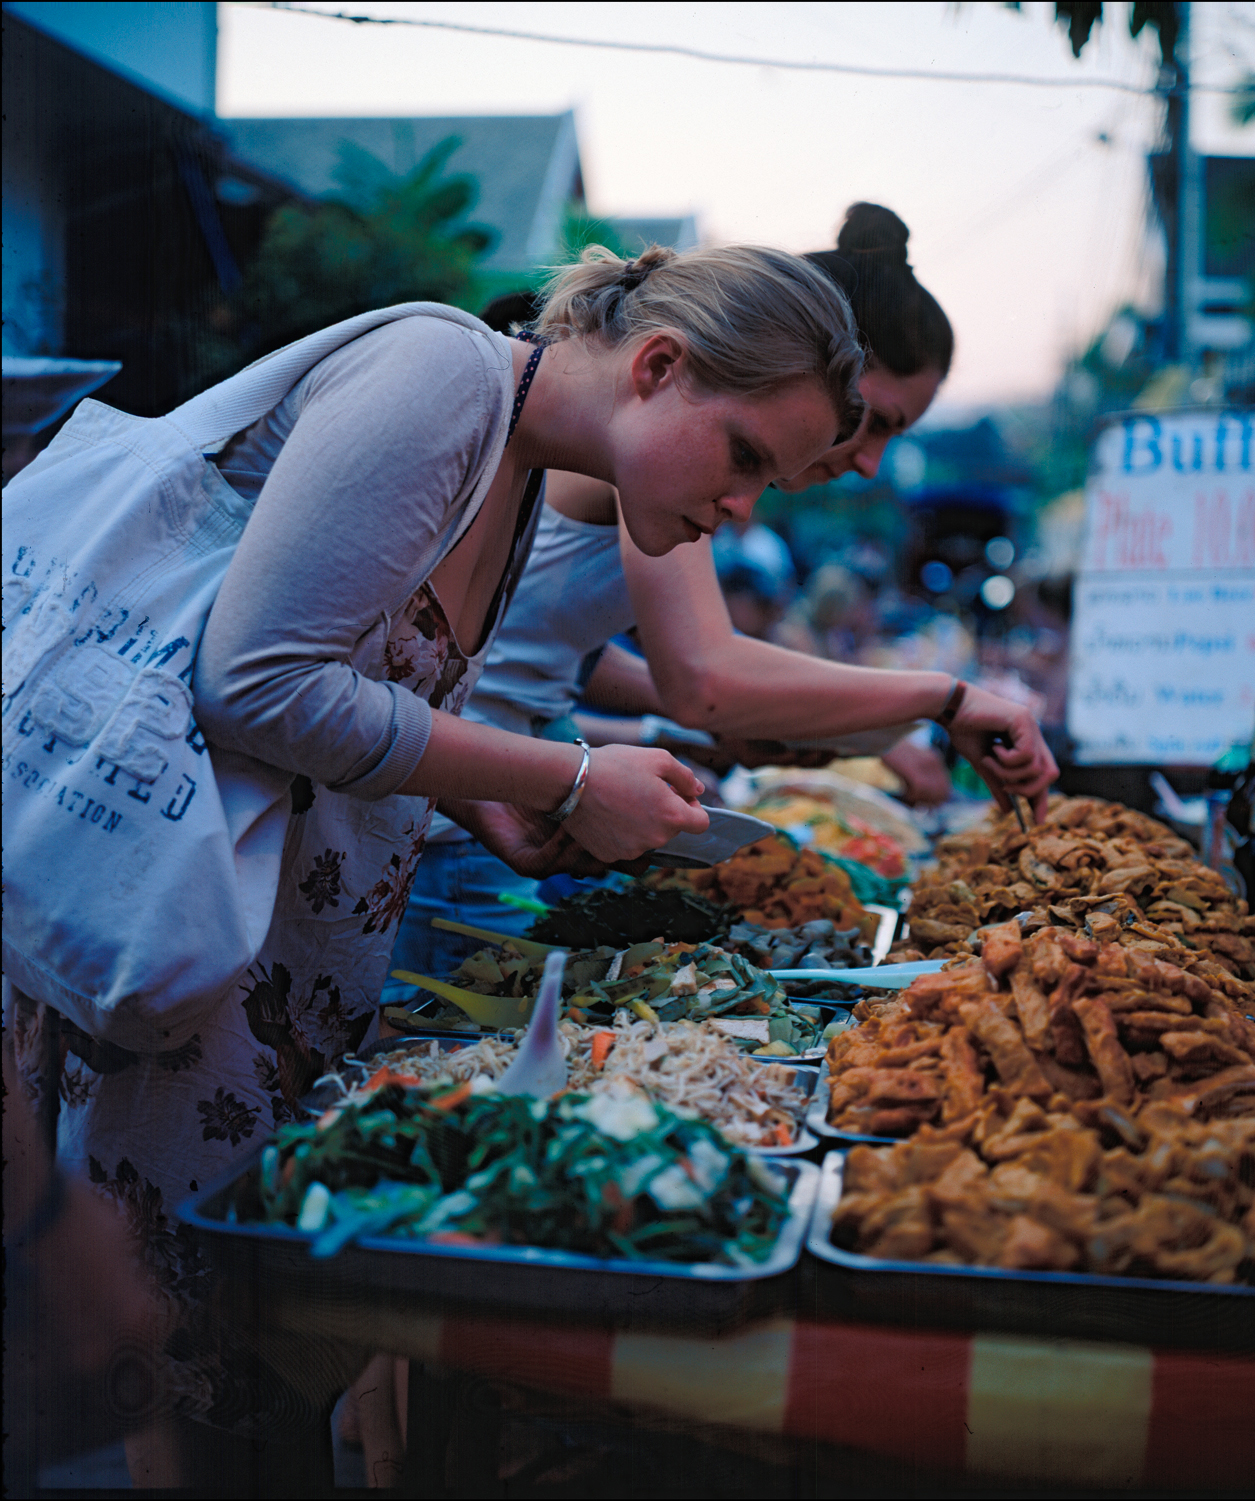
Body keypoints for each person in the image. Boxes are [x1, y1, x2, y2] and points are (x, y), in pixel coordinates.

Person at [2, 241, 864, 1484]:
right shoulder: (442, 378)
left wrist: (486, 810)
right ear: (660, 365)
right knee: (207, 1407)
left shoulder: (516, 459)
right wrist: (562, 775)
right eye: (745, 460)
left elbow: (350, 706)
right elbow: (255, 685)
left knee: (251, 1389)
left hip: (269, 991)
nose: (742, 510)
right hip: (189, 957)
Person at [389, 203, 1057, 979]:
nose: (869, 460)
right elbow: (704, 676)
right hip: (455, 832)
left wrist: (684, 718)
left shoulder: (658, 456)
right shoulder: (652, 448)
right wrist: (941, 698)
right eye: (872, 421)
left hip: (477, 813)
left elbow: (539, 644)